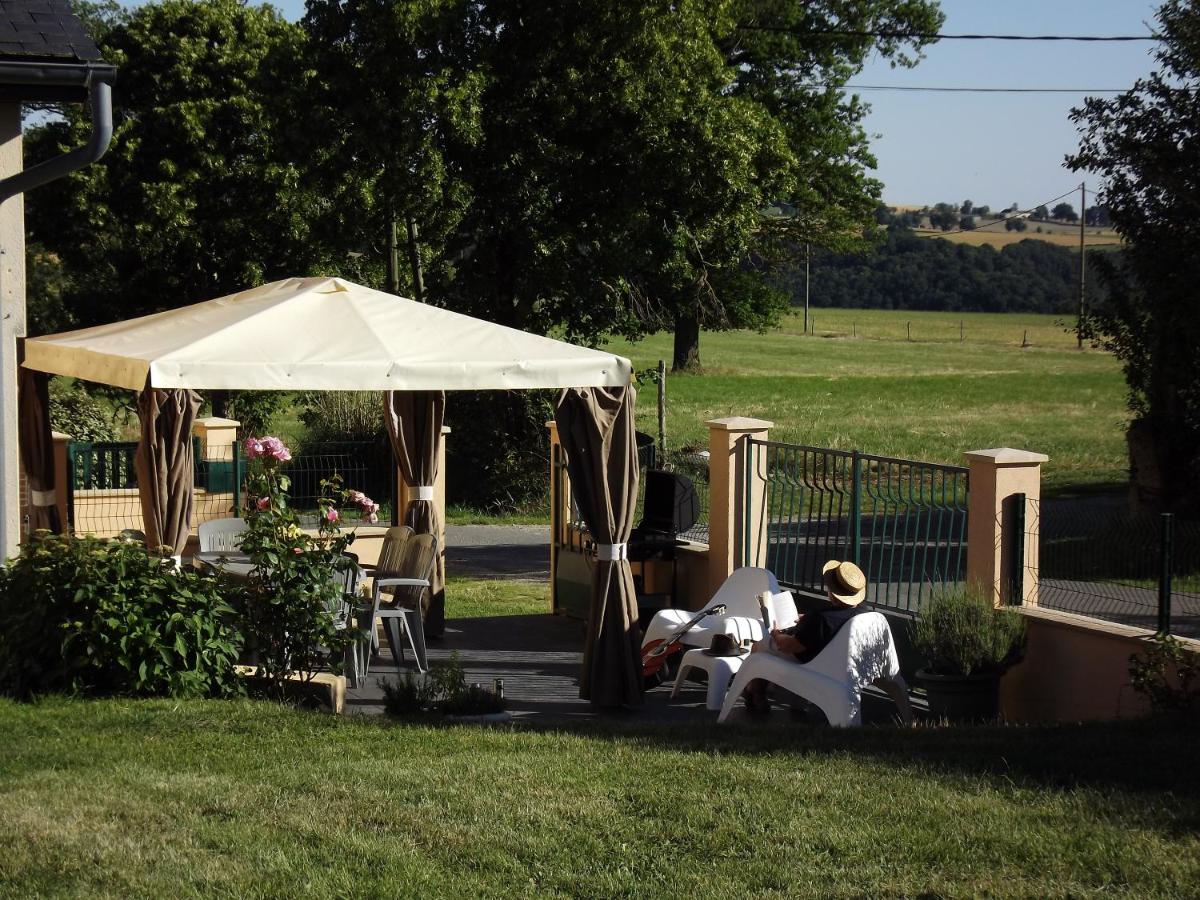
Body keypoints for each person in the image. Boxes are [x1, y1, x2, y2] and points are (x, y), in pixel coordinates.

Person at [742, 559, 869, 712]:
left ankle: (754, 692)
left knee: (760, 645)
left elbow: (788, 646)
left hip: (812, 662)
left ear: (831, 591)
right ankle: (757, 690)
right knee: (768, 647)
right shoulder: (863, 612)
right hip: (840, 662)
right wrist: (807, 620)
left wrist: (775, 633)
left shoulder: (822, 619)